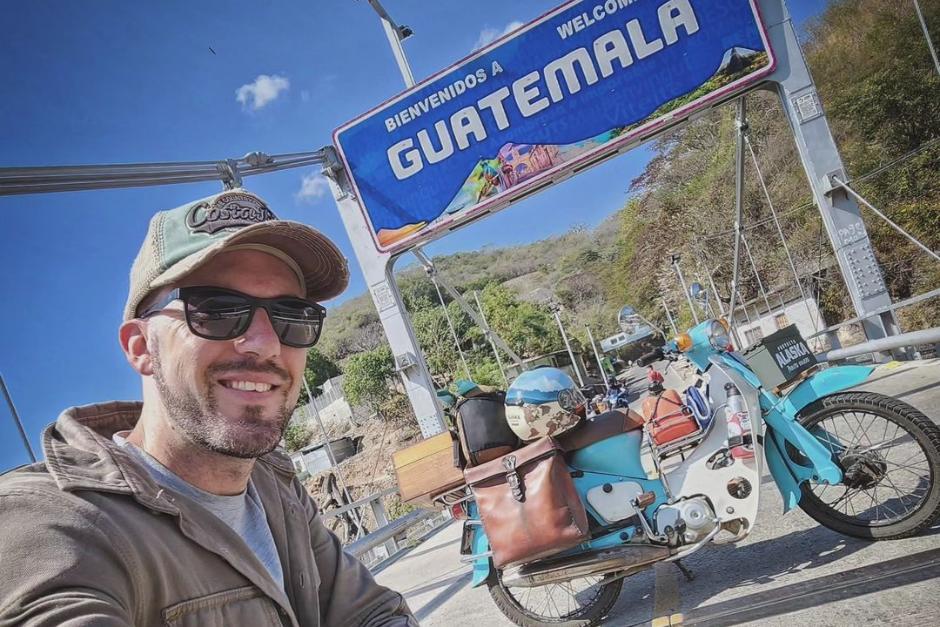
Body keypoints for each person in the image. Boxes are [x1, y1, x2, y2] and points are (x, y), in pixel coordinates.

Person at [0, 189, 417, 626]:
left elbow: (369, 613)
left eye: (293, 316)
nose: (266, 344)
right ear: (141, 348)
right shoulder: (52, 523)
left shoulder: (274, 485)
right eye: (216, 311)